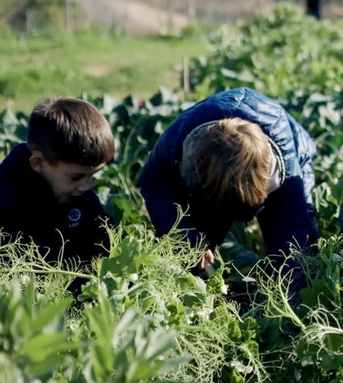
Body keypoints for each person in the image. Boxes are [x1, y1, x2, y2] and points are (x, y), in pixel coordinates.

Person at [137, 88, 319, 278]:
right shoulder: (177, 143)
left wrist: (288, 292)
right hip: (211, 173)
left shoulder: (286, 169)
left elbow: (293, 232)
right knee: (192, 246)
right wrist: (188, 238)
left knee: (296, 251)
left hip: (297, 154)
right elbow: (154, 182)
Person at [0, 97, 115, 265]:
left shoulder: (82, 198)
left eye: (91, 176)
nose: (85, 186)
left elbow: (105, 244)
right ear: (38, 164)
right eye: (76, 177)